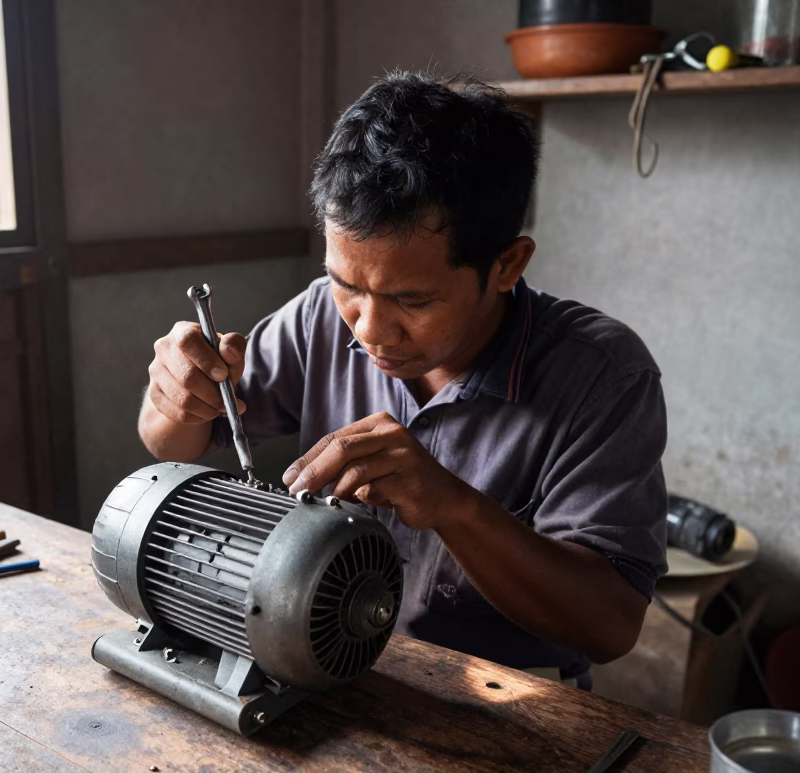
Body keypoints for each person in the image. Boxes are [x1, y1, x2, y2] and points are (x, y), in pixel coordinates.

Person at [137, 71, 667, 688]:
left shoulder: (602, 376)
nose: (370, 331)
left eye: (412, 300)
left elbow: (609, 629)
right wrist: (177, 397)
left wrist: (452, 507)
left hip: (510, 699)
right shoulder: (315, 316)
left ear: (506, 264)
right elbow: (170, 445)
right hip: (328, 665)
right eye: (348, 286)